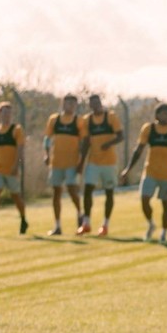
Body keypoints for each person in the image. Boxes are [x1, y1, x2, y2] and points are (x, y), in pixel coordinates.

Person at [120, 104, 167, 243]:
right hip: (150, 172)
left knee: (166, 205)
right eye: (164, 114)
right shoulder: (149, 129)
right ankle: (151, 224)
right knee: (144, 199)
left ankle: (164, 233)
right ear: (157, 115)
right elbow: (138, 150)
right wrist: (127, 169)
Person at [78, 94, 124, 236]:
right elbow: (86, 142)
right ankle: (86, 223)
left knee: (109, 192)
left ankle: (105, 225)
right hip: (93, 162)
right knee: (87, 191)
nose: (96, 105)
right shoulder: (87, 120)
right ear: (90, 105)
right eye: (93, 103)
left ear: (101, 103)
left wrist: (108, 144)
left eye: (97, 103)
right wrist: (81, 162)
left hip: (109, 162)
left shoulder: (111, 117)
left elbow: (120, 136)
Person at [0, 101, 28, 237]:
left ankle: (23, 219)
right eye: (4, 112)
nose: (6, 115)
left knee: (16, 196)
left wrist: (16, 166)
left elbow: (20, 150)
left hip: (11, 169)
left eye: (9, 112)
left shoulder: (17, 129)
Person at [42, 94, 84, 236]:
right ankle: (57, 225)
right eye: (68, 103)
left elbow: (83, 143)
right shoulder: (54, 120)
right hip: (56, 163)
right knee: (56, 193)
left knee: (72, 190)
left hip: (72, 162)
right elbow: (47, 139)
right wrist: (47, 154)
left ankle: (80, 214)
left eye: (73, 104)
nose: (70, 106)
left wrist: (81, 162)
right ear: (63, 104)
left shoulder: (79, 121)